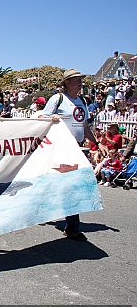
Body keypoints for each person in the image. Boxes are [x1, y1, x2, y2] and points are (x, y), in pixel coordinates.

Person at [41, 69, 99, 241]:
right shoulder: (57, 99)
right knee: (67, 186)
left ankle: (72, 226)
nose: (80, 83)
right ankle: (71, 225)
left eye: (81, 80)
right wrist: (52, 118)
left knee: (72, 186)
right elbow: (43, 119)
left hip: (76, 149)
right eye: (75, 80)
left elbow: (85, 126)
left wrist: (96, 143)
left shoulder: (81, 101)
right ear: (66, 82)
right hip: (61, 149)